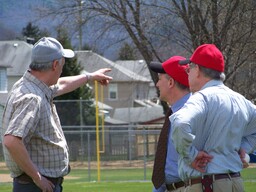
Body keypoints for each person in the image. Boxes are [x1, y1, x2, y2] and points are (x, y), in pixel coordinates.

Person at [1, 37, 112, 192]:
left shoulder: (31, 85)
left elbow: (62, 84)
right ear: (55, 65)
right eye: (62, 64)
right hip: (35, 187)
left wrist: (90, 77)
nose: (62, 70)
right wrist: (38, 178)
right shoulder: (32, 97)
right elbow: (11, 141)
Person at [170, 44, 256, 192]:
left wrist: (192, 156)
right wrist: (244, 149)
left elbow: (180, 122)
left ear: (197, 69)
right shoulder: (240, 100)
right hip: (235, 182)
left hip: (206, 184)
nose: (187, 72)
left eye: (189, 68)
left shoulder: (201, 99)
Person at [150, 56, 191, 192]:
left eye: (160, 79)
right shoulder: (175, 112)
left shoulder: (191, 113)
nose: (157, 84)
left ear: (171, 82)